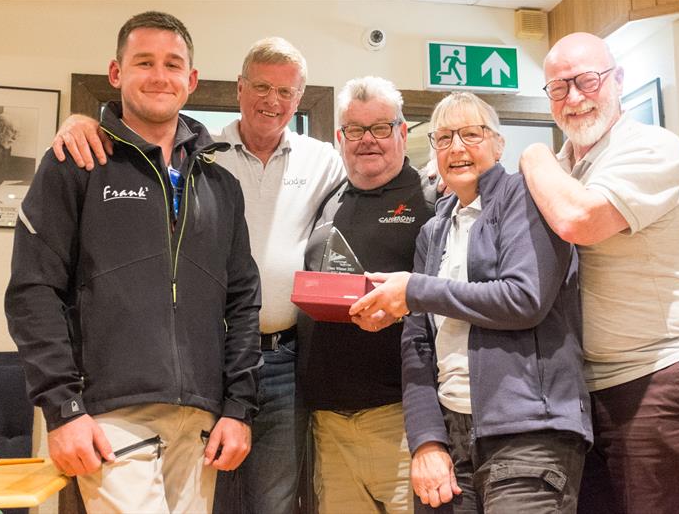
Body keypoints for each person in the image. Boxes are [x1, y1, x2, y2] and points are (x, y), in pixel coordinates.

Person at [50, 37, 345, 513]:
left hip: (287, 358)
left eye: (286, 93)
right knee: (214, 499)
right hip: (203, 363)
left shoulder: (324, 160)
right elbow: (139, 131)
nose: (273, 101)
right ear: (239, 88)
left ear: (299, 98)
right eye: (262, 87)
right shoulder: (201, 155)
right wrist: (82, 122)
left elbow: (383, 170)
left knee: (276, 499)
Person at [4, 11, 261, 513]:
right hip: (107, 418)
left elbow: (243, 302)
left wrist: (239, 409)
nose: (159, 75)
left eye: (172, 64)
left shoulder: (221, 186)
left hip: (201, 422)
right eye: (144, 62)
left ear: (191, 80)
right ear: (116, 73)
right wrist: (63, 409)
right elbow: (34, 291)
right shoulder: (76, 163)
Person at [519, 32, 679, 514]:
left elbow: (581, 221)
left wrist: (531, 154)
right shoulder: (566, 168)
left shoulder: (652, 148)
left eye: (587, 81)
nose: (574, 98)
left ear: (618, 80)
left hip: (663, 375)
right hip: (592, 387)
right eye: (558, 88)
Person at [350, 91, 592, 513]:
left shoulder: (525, 197)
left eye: (470, 134)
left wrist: (413, 290)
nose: (457, 147)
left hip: (528, 433)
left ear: (498, 144)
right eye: (443, 138)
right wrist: (426, 441)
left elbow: (523, 298)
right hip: (450, 436)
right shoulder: (434, 230)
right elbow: (416, 344)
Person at [298, 76, 436, 513]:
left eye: (380, 127)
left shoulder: (433, 199)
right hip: (327, 420)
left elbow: (452, 302)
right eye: (355, 130)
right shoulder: (327, 201)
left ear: (402, 132)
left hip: (400, 419)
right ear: (340, 137)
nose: (367, 141)